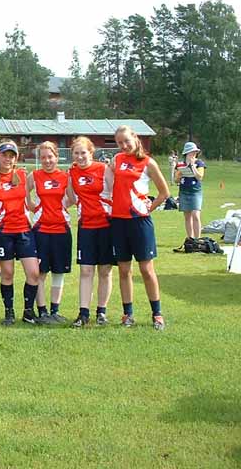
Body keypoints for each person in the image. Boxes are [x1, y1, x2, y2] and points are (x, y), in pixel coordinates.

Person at [111, 125, 169, 330]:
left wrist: (148, 208)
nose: (124, 145)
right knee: (124, 270)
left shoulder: (148, 162)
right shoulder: (117, 159)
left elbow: (164, 193)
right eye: (119, 143)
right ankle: (128, 314)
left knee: (146, 269)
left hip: (140, 222)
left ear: (135, 138)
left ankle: (157, 314)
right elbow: (109, 181)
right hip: (118, 221)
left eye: (126, 141)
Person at [0, 140, 41, 325]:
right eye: (4, 155)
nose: (8, 159)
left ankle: (28, 311)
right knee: (7, 274)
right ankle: (9, 312)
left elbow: (33, 198)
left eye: (11, 156)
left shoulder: (22, 175)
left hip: (24, 230)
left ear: (16, 158)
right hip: (3, 231)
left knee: (33, 273)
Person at [68, 136, 114, 327]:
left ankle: (101, 311)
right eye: (76, 153)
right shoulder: (72, 172)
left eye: (83, 153)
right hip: (86, 226)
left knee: (105, 270)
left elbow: (116, 192)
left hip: (106, 225)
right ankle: (83, 313)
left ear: (91, 152)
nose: (80, 157)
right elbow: (71, 198)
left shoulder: (103, 169)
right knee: (86, 270)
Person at [27, 141, 72, 325]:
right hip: (41, 230)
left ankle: (55, 310)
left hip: (61, 229)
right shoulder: (34, 175)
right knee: (40, 272)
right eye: (43, 157)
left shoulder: (65, 176)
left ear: (57, 157)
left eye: (50, 157)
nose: (47, 161)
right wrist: (34, 207)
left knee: (59, 271)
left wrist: (62, 208)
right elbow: (24, 195)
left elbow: (72, 198)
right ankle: (42, 311)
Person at [175, 142, 206, 243]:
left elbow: (200, 177)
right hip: (184, 191)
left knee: (195, 214)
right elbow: (176, 180)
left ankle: (198, 239)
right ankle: (191, 239)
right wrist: (179, 175)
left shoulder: (199, 163)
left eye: (195, 152)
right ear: (186, 153)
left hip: (195, 191)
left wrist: (192, 166)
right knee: (187, 216)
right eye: (192, 152)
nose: (194, 154)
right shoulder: (180, 164)